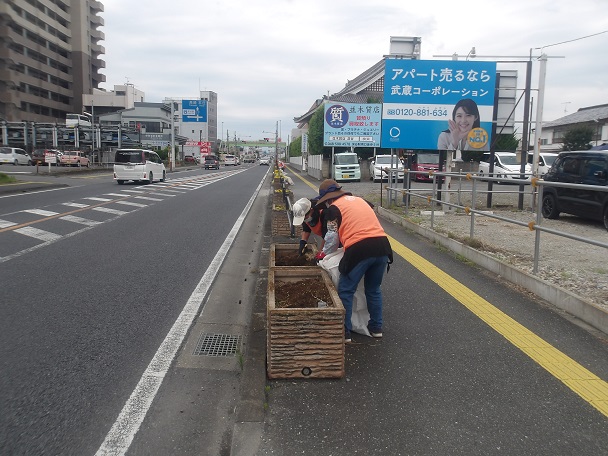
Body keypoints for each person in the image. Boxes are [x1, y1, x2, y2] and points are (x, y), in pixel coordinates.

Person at [315, 179, 393, 342]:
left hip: (359, 249)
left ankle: (345, 332)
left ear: (328, 200)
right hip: (383, 247)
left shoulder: (334, 209)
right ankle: (376, 328)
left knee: (346, 290)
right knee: (373, 289)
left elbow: (331, 238)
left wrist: (323, 254)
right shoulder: (361, 200)